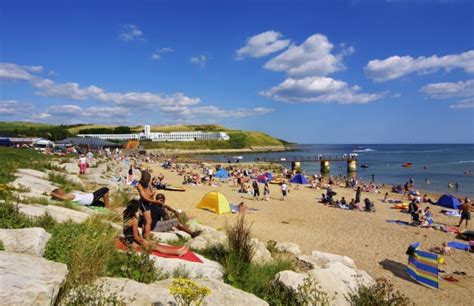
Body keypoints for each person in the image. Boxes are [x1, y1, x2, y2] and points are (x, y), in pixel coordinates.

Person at [123, 200, 188, 256]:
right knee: (156, 247)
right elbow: (135, 237)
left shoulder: (127, 216)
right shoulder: (134, 220)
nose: (140, 211)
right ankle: (178, 252)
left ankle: (177, 251)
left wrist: (145, 241)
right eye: (139, 209)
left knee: (154, 243)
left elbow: (130, 233)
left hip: (128, 241)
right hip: (132, 243)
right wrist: (143, 242)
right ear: (136, 209)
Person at [136, 170, 165, 240]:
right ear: (143, 179)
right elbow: (144, 197)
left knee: (145, 221)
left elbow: (151, 190)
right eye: (146, 180)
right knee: (149, 221)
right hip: (144, 203)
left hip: (149, 203)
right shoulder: (139, 185)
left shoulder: (147, 183)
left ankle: (144, 236)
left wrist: (152, 194)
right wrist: (155, 201)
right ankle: (147, 239)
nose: (147, 181)